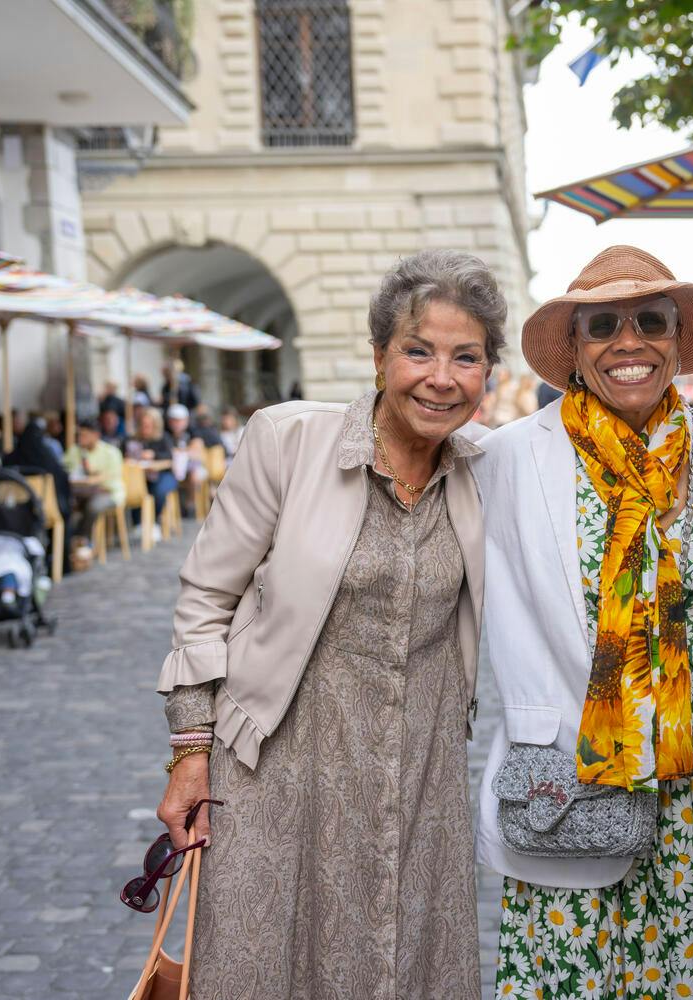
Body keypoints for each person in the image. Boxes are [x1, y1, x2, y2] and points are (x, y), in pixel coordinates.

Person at [153, 249, 503, 998]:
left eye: (465, 358)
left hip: (415, 786)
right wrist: (189, 750)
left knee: (400, 967)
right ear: (380, 358)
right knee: (262, 965)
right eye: (419, 351)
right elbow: (205, 598)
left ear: (486, 376)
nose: (441, 377)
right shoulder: (289, 441)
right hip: (277, 775)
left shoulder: (483, 474)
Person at [475, 246, 693, 998]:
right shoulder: (505, 461)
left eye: (651, 320)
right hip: (572, 792)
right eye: (602, 324)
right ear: (573, 352)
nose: (628, 341)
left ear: (677, 339)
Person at [62, 417, 125, 545]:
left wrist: (92, 476)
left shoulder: (110, 452)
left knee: (93, 506)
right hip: (80, 492)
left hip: (108, 492)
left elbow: (110, 478)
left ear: (96, 435)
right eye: (79, 435)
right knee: (64, 504)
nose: (81, 439)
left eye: (84, 435)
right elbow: (64, 469)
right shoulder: (75, 450)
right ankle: (65, 541)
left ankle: (82, 539)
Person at [128, 407, 177, 523]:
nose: (145, 428)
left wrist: (154, 454)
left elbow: (169, 457)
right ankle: (138, 522)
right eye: (143, 425)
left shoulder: (163, 438)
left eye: (149, 425)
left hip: (163, 474)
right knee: (135, 488)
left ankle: (154, 521)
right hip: (141, 475)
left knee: (158, 491)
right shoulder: (135, 439)